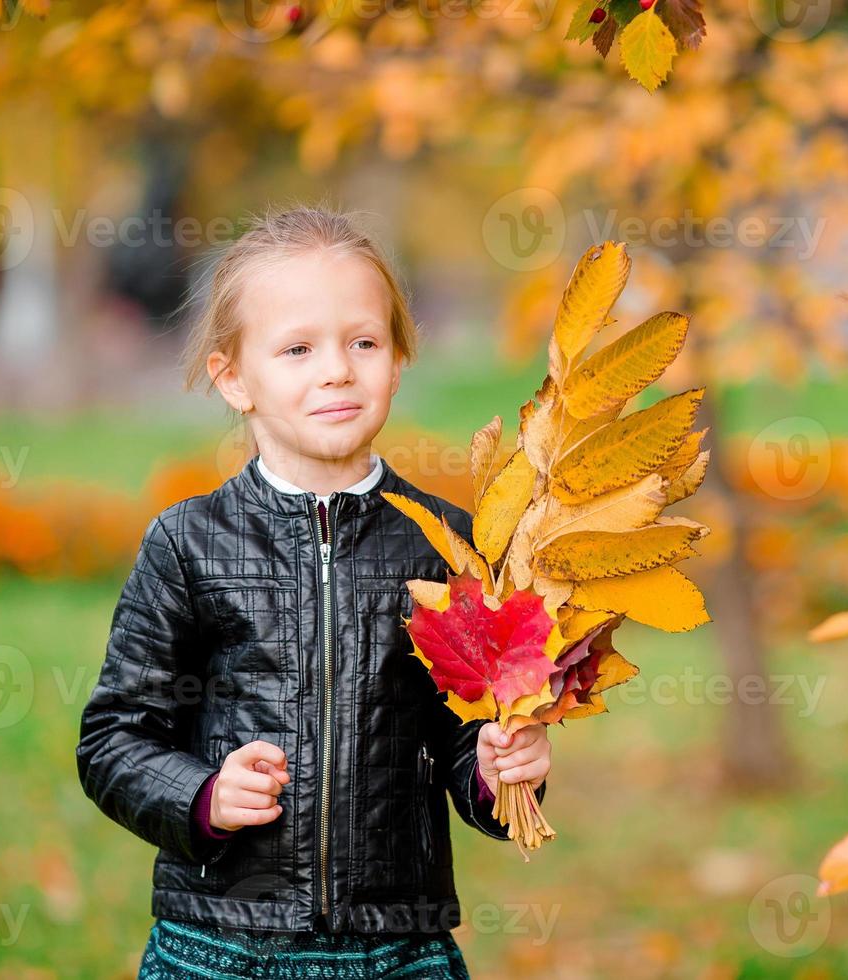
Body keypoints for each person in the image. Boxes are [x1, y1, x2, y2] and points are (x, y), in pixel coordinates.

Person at [75, 205, 553, 978]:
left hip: (398, 946)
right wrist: (202, 795)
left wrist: (497, 772)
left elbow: (465, 732)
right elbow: (114, 740)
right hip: (219, 943)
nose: (336, 369)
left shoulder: (448, 545)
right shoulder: (190, 543)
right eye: (297, 348)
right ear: (235, 379)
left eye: (362, 342)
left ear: (398, 358)